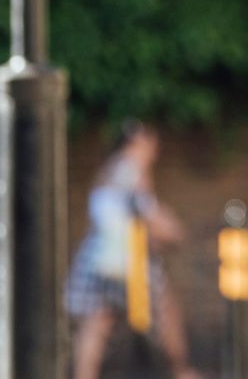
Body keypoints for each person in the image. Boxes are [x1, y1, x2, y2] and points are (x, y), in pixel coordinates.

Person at [64, 120, 203, 379]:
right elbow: (147, 214)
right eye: (150, 143)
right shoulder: (131, 169)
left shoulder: (110, 169)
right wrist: (173, 229)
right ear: (136, 143)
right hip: (128, 260)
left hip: (100, 260)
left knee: (97, 323)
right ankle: (182, 373)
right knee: (165, 313)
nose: (154, 150)